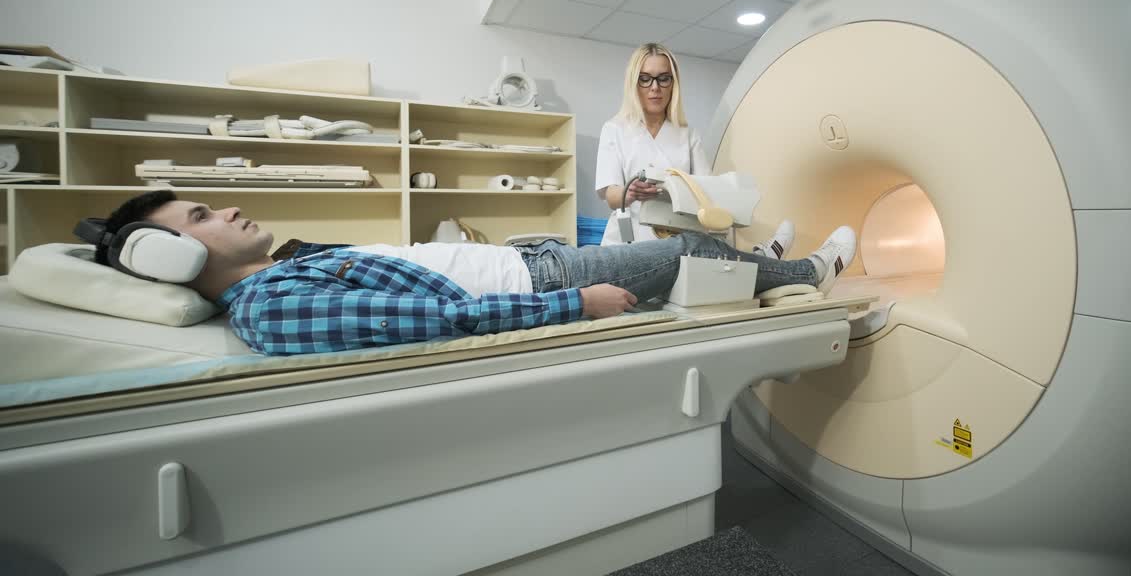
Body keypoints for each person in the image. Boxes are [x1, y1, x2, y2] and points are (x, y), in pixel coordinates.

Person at [88, 190, 857, 356]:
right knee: (687, 254)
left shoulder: (284, 268)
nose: (227, 211)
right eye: (201, 217)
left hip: (523, 261)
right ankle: (808, 270)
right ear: (174, 258)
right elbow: (437, 320)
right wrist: (574, 303)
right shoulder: (271, 306)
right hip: (539, 282)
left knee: (691, 248)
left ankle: (769, 264)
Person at [594, 42, 798, 258]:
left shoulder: (687, 134)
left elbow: (707, 192)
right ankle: (766, 258)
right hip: (628, 239)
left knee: (718, 254)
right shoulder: (615, 129)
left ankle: (769, 258)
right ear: (633, 83)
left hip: (677, 238)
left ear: (673, 84)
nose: (655, 87)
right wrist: (630, 192)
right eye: (645, 79)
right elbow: (611, 194)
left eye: (664, 78)